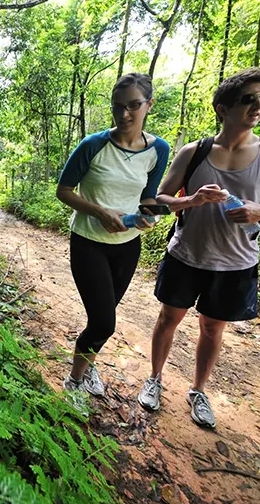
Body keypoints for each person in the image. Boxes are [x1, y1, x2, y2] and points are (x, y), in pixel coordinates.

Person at [137, 68, 260, 429]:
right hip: (186, 255)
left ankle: (198, 391)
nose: (258, 105)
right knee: (169, 319)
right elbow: (159, 198)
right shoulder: (194, 152)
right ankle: (155, 379)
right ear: (221, 109)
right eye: (248, 99)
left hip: (236, 263)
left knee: (213, 329)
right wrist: (192, 200)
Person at [57, 73, 170, 415]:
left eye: (134, 106)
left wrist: (150, 216)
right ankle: (75, 379)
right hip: (89, 241)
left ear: (148, 105)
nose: (124, 115)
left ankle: (87, 364)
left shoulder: (158, 150)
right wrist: (98, 211)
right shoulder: (93, 145)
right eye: (118, 107)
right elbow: (64, 191)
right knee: (105, 322)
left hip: (127, 246)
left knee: (101, 317)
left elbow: (148, 198)